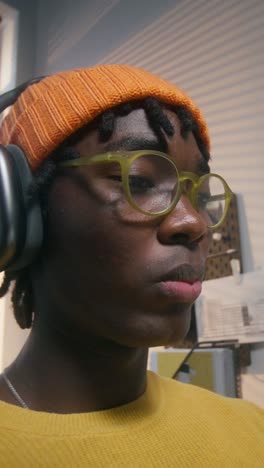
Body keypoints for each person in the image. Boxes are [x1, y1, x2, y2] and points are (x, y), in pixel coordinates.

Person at [0, 64, 263, 467]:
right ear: (22, 213)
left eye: (197, 191)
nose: (192, 222)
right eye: (139, 181)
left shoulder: (252, 431)